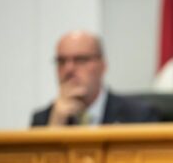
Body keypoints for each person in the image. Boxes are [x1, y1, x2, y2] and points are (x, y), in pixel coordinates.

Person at [31, 30, 159, 127]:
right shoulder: (43, 120)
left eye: (80, 60)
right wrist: (56, 125)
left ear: (103, 65)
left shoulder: (139, 116)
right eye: (61, 61)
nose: (69, 69)